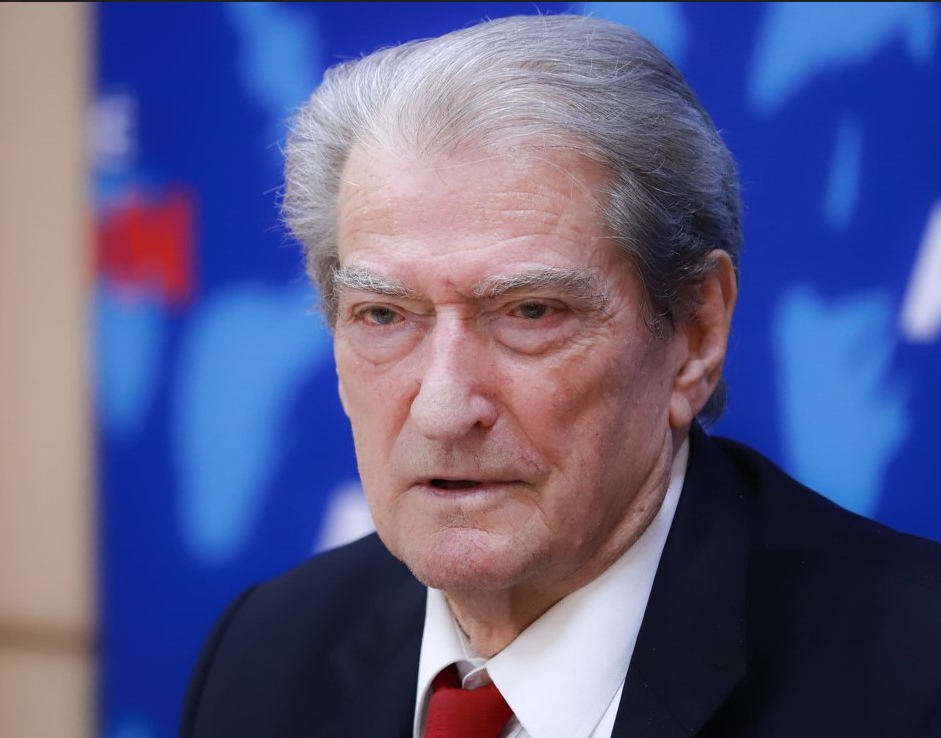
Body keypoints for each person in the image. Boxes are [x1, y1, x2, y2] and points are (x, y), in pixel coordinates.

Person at [181, 13, 941, 738]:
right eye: (383, 315)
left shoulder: (912, 679)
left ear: (696, 335)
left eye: (530, 311)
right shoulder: (263, 657)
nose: (443, 408)